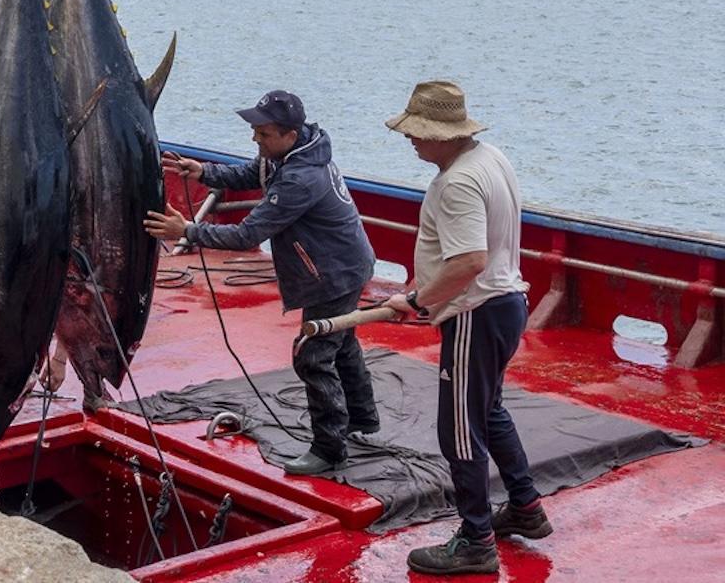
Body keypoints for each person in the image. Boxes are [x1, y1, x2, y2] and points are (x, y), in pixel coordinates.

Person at [143, 90, 379, 475]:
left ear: (289, 134)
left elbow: (247, 235)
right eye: (255, 129)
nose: (255, 138)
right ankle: (362, 419)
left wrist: (186, 230)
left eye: (263, 133)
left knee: (313, 356)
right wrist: (205, 172)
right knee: (343, 343)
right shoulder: (292, 153)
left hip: (335, 273)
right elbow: (254, 173)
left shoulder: (301, 178)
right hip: (344, 263)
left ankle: (330, 448)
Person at [382, 80, 550, 576]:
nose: (409, 139)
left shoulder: (455, 183)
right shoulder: (489, 157)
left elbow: (469, 261)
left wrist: (417, 299)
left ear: (441, 134)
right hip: (506, 302)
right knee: (487, 410)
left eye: (416, 131)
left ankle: (475, 540)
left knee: (458, 427)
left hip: (477, 311)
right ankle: (525, 506)